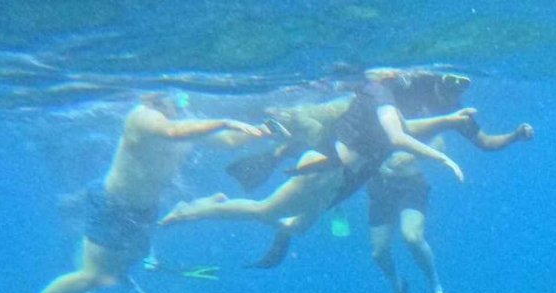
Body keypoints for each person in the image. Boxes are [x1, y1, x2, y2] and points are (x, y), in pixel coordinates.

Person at [9, 94, 266, 293]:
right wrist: (223, 121)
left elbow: (230, 140)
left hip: (143, 208)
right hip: (114, 203)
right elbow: (172, 132)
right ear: (155, 97)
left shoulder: (188, 122)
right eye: (176, 98)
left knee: (139, 252)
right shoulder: (142, 116)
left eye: (184, 99)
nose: (181, 104)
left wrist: (266, 129)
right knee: (92, 275)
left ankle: (116, 271)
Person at [159, 69, 472, 269]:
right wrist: (442, 157)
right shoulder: (374, 99)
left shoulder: (388, 106)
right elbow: (397, 134)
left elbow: (406, 127)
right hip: (321, 169)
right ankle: (196, 209)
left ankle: (218, 206)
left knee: (297, 227)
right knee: (265, 210)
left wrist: (449, 120)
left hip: (338, 180)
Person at [372, 109, 535, 293]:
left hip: (411, 186)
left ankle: (438, 291)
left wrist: (515, 135)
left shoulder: (441, 115)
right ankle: (398, 287)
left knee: (412, 237)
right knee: (379, 253)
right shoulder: (380, 110)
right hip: (379, 189)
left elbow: (479, 142)